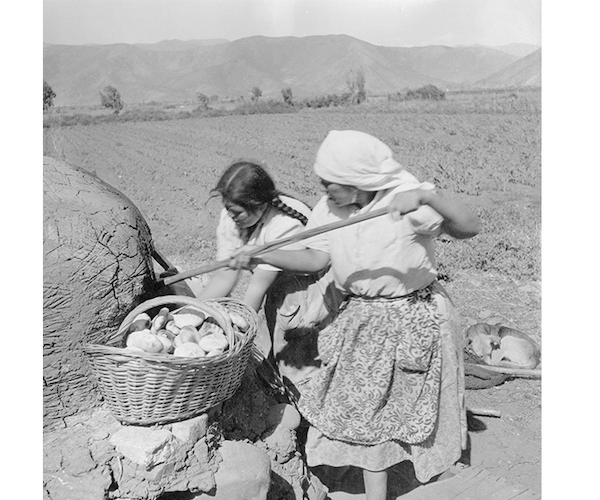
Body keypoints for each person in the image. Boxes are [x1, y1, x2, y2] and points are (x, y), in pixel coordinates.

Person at [227, 130, 481, 500]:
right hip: (361, 318)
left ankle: (415, 482)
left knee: (397, 411)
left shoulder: (406, 197)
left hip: (412, 317)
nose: (324, 189)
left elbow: (469, 228)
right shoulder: (331, 208)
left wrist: (428, 197)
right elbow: (316, 258)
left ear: (360, 182)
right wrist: (263, 255)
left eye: (332, 184)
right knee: (364, 413)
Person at [198, 160, 344, 393]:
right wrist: (194, 311)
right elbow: (224, 276)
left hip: (306, 292)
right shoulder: (233, 218)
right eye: (228, 209)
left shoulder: (285, 224)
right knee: (275, 352)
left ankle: (306, 410)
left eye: (236, 212)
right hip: (278, 288)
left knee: (298, 360)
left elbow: (258, 287)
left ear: (258, 205)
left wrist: (234, 334)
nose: (230, 215)